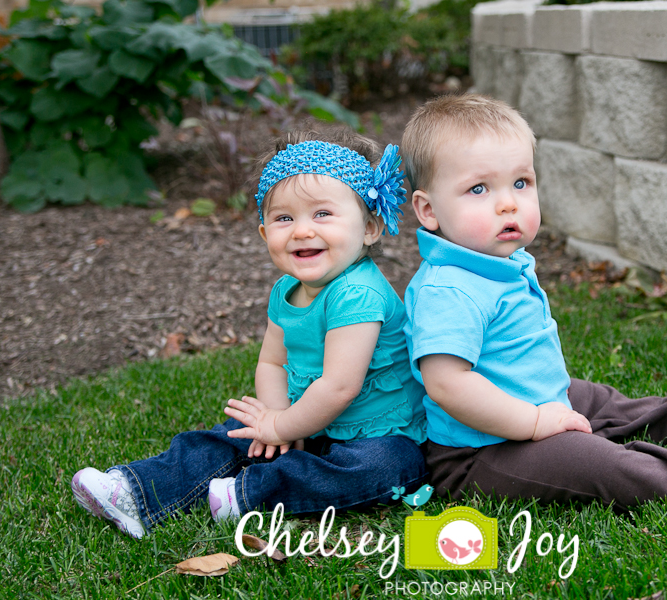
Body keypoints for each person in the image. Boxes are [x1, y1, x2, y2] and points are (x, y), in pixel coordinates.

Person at [400, 94, 667, 529]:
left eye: (521, 183)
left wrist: (544, 406)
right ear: (429, 210)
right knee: (600, 463)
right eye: (479, 189)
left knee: (595, 398)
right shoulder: (449, 290)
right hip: (482, 452)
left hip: (533, 399)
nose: (508, 203)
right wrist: (533, 421)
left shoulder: (495, 261)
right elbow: (447, 384)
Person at [71, 130, 427, 538]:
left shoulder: (358, 293)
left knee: (387, 467)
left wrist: (283, 426)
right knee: (232, 435)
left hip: (380, 431)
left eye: (322, 214)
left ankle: (247, 495)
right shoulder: (285, 291)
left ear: (370, 227)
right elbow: (272, 361)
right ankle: (133, 490)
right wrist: (272, 419)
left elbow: (340, 387)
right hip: (307, 419)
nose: (302, 230)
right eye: (284, 218)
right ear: (264, 233)